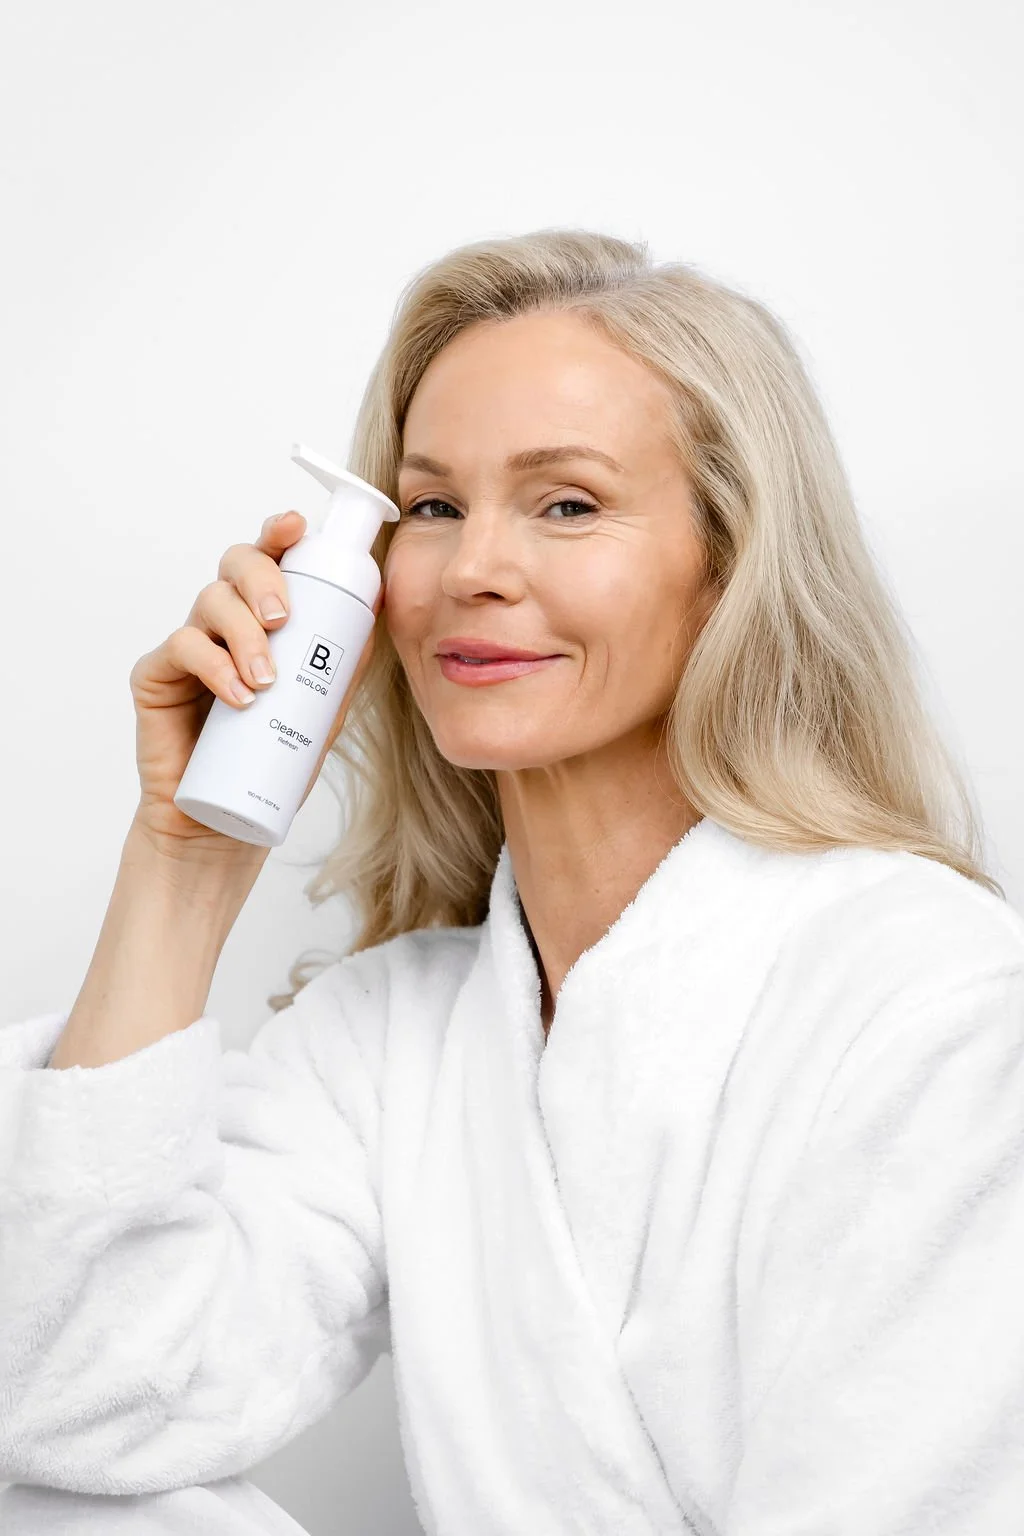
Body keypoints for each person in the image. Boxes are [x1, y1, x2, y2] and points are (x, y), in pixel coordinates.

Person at [2, 228, 1022, 1535]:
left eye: (567, 503)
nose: (474, 567)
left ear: (729, 565)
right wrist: (187, 860)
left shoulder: (918, 988)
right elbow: (73, 1395)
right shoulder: (394, 1038)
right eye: (431, 507)